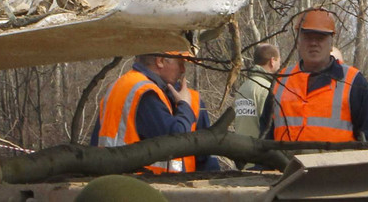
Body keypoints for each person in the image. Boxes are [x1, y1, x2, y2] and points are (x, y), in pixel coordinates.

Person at [260, 8, 368, 142]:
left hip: (337, 163)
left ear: (331, 43)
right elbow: (265, 139)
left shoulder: (353, 82)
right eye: (308, 37)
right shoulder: (281, 81)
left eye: (320, 37)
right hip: (285, 163)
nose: (313, 43)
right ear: (298, 41)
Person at [90, 50, 219, 173]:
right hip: (143, 188)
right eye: (180, 63)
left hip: (115, 185)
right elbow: (176, 141)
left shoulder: (121, 87)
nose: (183, 70)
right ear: (160, 61)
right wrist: (185, 106)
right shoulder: (145, 94)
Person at [233, 43, 280, 140]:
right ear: (272, 61)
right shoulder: (267, 89)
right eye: (278, 62)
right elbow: (269, 126)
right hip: (259, 151)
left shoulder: (243, 88)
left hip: (239, 150)